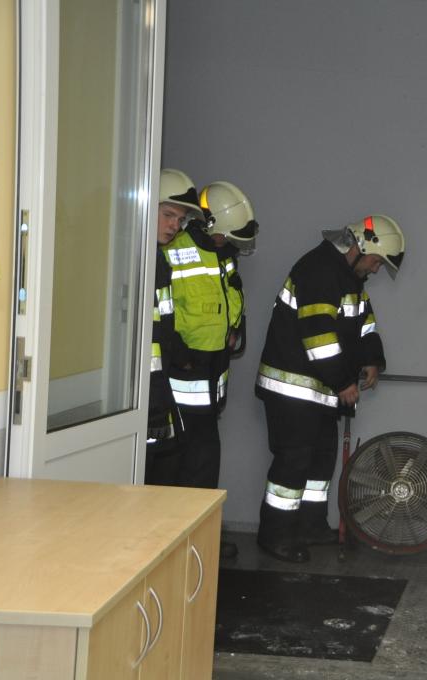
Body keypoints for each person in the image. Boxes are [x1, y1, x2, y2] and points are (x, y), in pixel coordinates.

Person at [254, 215, 405, 563]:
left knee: (320, 460)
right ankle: (275, 535)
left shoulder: (350, 278)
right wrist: (343, 382)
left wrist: (372, 359)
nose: (376, 269)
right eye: (376, 261)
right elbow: (318, 337)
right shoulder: (319, 271)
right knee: (293, 463)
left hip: (319, 393)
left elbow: (364, 324)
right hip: (291, 391)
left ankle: (310, 526)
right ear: (361, 247)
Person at [161, 173, 252, 557]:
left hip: (213, 367)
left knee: (203, 454)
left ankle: (198, 537)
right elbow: (164, 309)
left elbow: (232, 295)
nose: (224, 241)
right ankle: (188, 540)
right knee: (193, 456)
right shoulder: (173, 250)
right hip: (183, 371)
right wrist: (179, 353)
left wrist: (235, 329)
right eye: (222, 235)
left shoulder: (223, 254)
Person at [144, 169, 199, 485]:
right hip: (140, 392)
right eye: (168, 215)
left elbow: (163, 324)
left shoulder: (157, 260)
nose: (174, 226)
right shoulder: (133, 257)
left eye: (179, 220)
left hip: (155, 388)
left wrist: (180, 354)